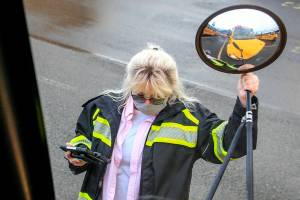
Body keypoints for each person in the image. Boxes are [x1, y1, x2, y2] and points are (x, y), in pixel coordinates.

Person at [64, 43, 259, 200]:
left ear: (172, 89)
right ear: (129, 84)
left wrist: (243, 105)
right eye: (140, 95)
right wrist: (78, 155)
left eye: (156, 97)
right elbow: (83, 139)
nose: (147, 102)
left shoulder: (191, 118)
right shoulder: (102, 108)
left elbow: (230, 147)